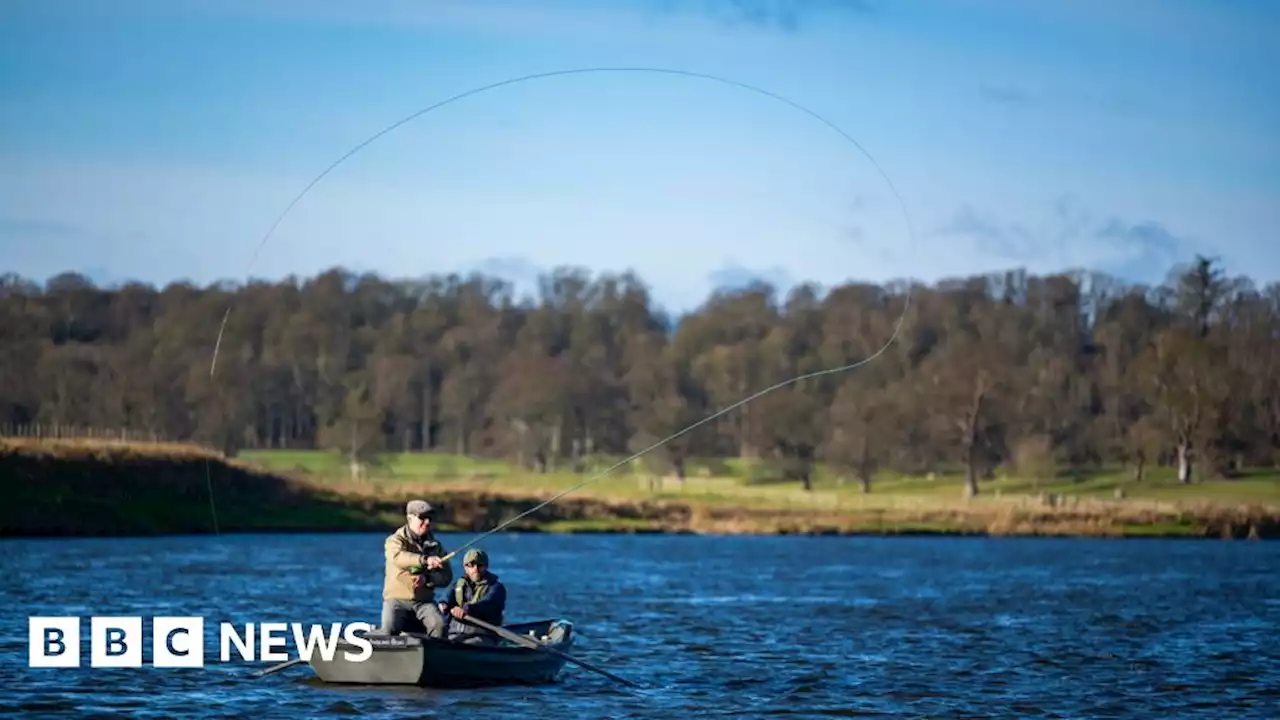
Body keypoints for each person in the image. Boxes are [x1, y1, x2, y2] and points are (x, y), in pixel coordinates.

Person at [381, 499, 454, 637]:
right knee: (388, 630)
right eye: (422, 518)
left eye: (430, 518)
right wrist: (424, 560)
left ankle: (434, 655)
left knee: (439, 625)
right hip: (396, 600)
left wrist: (428, 579)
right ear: (410, 518)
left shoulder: (436, 546)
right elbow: (398, 558)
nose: (427, 522)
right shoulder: (395, 541)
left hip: (424, 602)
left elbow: (447, 577)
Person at [439, 549, 507, 645]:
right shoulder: (457, 585)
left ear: (486, 566)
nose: (475, 569)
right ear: (465, 568)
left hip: (483, 635)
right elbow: (446, 599)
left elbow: (486, 604)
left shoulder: (496, 588)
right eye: (471, 565)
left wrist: (467, 609)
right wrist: (444, 605)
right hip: (456, 633)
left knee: (467, 645)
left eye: (480, 565)